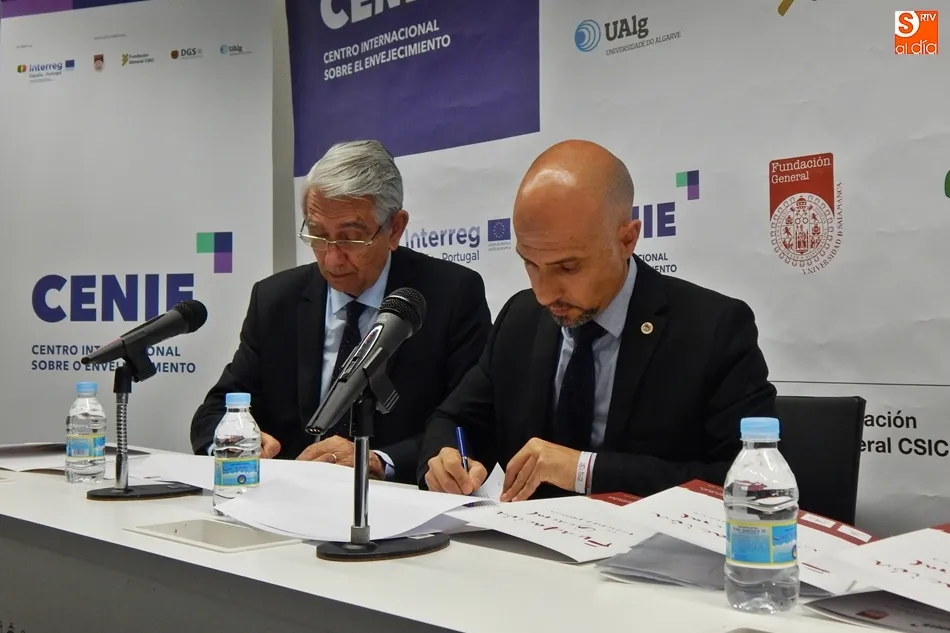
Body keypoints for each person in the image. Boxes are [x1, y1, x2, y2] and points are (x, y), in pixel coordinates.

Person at [419, 140, 776, 500]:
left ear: (627, 240)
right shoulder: (520, 318)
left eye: (568, 267)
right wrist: (446, 459)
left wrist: (585, 471)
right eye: (530, 263)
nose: (544, 294)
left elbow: (746, 483)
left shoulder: (713, 328)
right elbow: (452, 420)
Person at [191, 140, 492, 484]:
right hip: (287, 500)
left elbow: (467, 424)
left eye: (350, 238)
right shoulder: (276, 300)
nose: (332, 259)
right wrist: (237, 440)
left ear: (395, 229)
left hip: (397, 508)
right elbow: (216, 410)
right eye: (318, 236)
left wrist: (377, 461)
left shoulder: (449, 295)